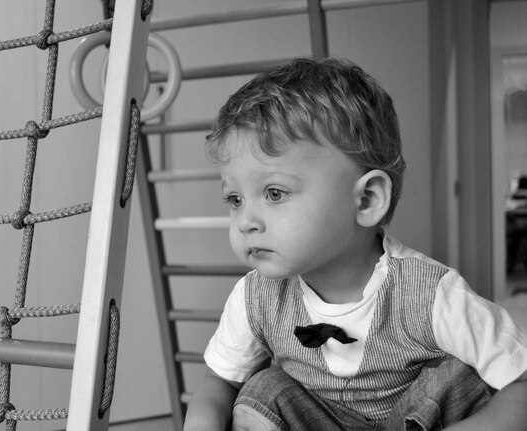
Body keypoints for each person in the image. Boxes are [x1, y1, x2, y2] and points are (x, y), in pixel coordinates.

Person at [183, 57, 527, 430]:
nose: (246, 221)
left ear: (366, 200)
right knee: (263, 390)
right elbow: (218, 383)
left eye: (274, 193)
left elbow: (521, 383)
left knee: (461, 377)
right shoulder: (255, 298)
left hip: (417, 421)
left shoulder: (431, 295)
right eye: (235, 199)